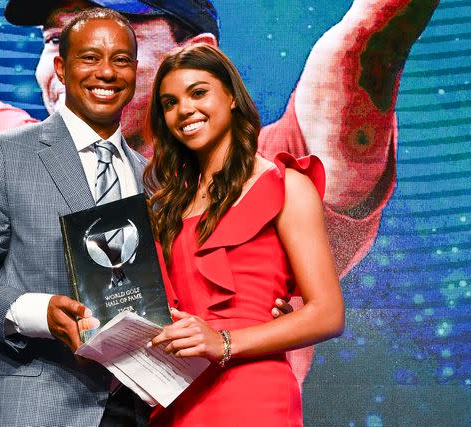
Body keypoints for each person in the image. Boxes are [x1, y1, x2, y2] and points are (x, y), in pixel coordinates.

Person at [0, 0, 438, 424]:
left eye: (109, 33)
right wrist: (33, 310)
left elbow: (367, 47)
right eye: (55, 41)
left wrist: (230, 335)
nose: (67, 65)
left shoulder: (272, 174)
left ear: (192, 55)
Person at [0, 9, 152, 426]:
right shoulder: (4, 153)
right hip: (35, 408)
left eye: (121, 60)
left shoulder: (149, 178)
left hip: (134, 408)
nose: (106, 72)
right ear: (61, 69)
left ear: (136, 71)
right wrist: (35, 312)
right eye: (89, 58)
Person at [144, 43, 345, 426]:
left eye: (198, 92)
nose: (184, 109)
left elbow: (328, 313)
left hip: (252, 394)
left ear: (232, 96)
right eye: (169, 103)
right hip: (177, 398)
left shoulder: (286, 185)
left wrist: (223, 342)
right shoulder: (168, 204)